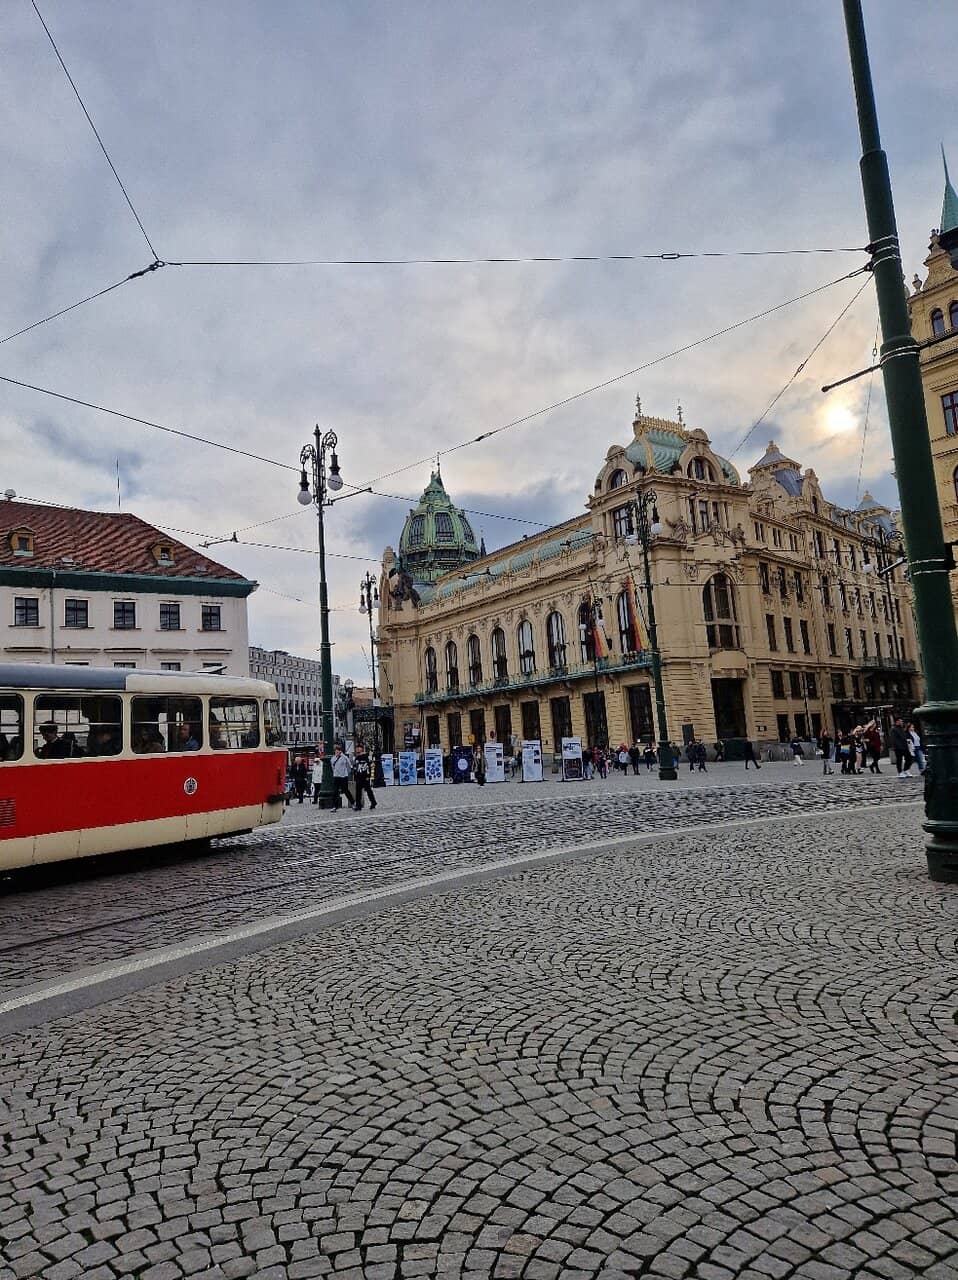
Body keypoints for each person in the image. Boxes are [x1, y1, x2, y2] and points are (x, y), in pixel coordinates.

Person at [352, 746, 377, 810]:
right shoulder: (356, 758)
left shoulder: (366, 757)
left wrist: (368, 776)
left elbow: (369, 767)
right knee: (358, 792)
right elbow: (355, 767)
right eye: (356, 749)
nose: (357, 750)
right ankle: (358, 805)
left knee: (368, 790)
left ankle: (373, 802)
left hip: (365, 777)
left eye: (359, 749)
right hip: (359, 777)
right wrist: (355, 775)